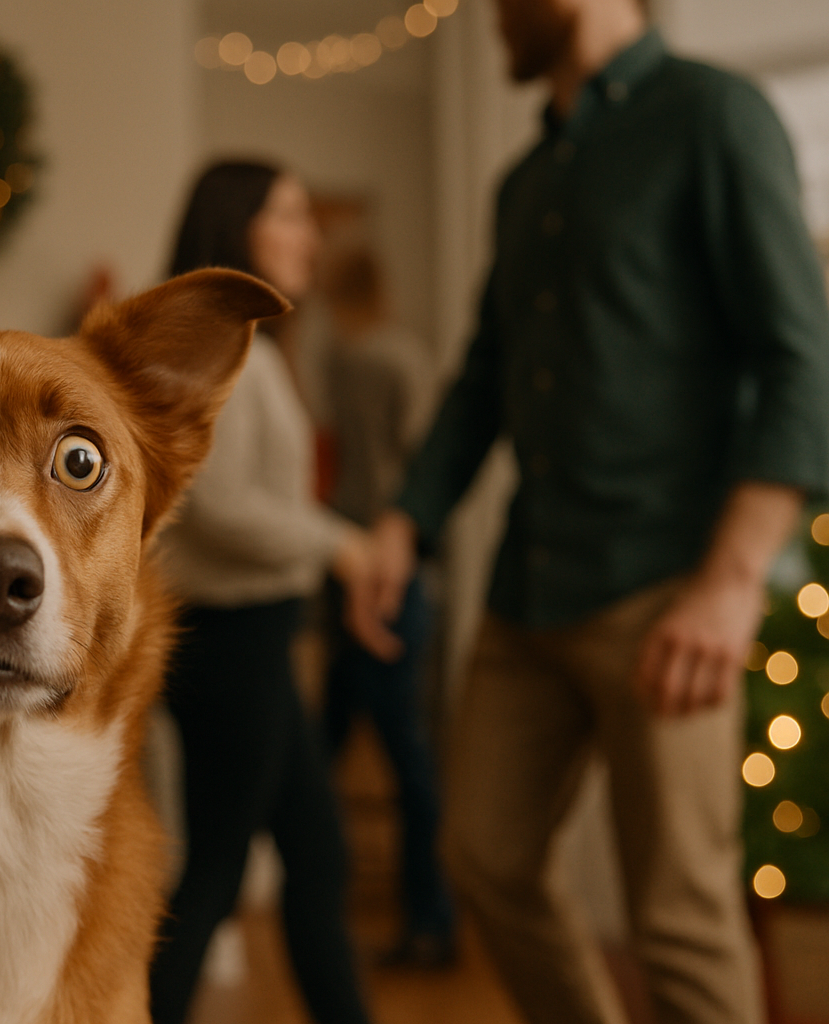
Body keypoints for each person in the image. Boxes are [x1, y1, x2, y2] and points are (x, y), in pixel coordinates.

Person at [350, 0, 829, 1020]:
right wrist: (406, 518)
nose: (491, 21)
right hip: (530, 590)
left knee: (680, 918)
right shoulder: (525, 183)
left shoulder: (713, 115)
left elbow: (801, 358)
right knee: (484, 856)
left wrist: (733, 579)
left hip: (670, 591)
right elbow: (484, 377)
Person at [149, 161, 394, 1024]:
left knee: (318, 857)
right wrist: (342, 546)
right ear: (236, 228)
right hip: (228, 642)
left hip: (257, 638)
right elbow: (213, 504)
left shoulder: (255, 347)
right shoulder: (211, 350)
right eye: (288, 215)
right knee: (214, 872)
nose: (311, 236)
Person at [317, 247, 455, 968]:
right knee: (395, 756)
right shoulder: (398, 358)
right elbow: (420, 467)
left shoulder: (347, 361)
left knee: (360, 756)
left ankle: (423, 920)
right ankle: (402, 920)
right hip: (390, 565)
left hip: (360, 563)